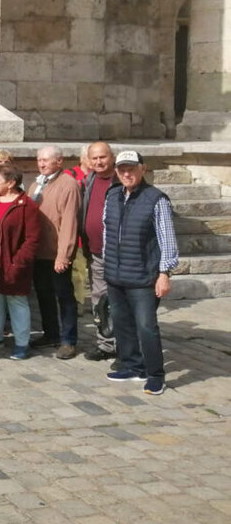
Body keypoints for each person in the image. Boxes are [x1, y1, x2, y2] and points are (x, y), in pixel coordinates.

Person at [102, 150, 178, 395]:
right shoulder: (112, 195)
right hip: (115, 274)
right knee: (122, 323)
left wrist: (164, 273)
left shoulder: (156, 199)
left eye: (131, 169)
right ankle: (133, 366)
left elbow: (167, 240)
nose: (127, 173)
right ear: (116, 172)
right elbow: (107, 233)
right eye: (122, 169)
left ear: (142, 169)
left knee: (146, 326)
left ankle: (156, 374)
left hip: (144, 277)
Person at [0, 163, 40, 359]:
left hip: (13, 263)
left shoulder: (26, 205)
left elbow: (32, 239)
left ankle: (22, 342)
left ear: (11, 183)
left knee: (16, 301)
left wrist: (17, 263)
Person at [29, 145, 81, 359]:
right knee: (44, 294)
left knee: (64, 296)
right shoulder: (36, 184)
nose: (41, 163)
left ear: (59, 162)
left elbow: (69, 222)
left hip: (57, 252)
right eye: (39, 159)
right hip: (39, 251)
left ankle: (68, 340)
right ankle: (50, 333)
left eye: (46, 160)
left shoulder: (68, 185)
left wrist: (64, 255)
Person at [80, 141, 120, 362]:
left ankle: (124, 343)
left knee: (120, 300)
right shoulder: (90, 180)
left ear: (112, 156)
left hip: (120, 254)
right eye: (94, 158)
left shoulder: (121, 179)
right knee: (99, 300)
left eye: (102, 157)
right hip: (96, 251)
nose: (98, 162)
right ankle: (105, 344)